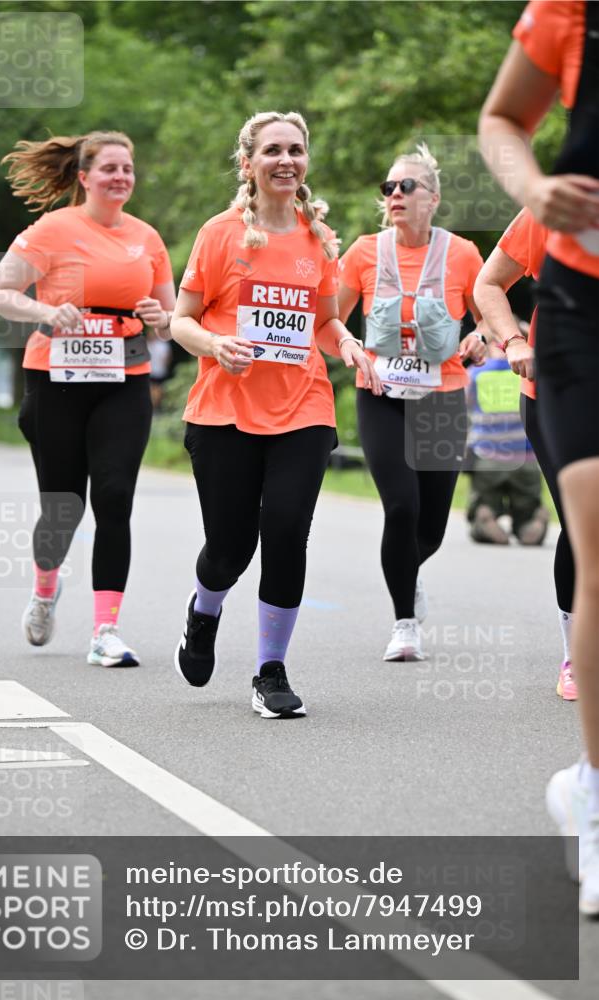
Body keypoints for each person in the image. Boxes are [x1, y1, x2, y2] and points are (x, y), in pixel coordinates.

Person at [170, 110, 379, 718]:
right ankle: (203, 611)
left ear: (305, 162)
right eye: (272, 151)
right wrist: (214, 346)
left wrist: (349, 344)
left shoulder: (318, 238)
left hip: (303, 407)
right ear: (249, 163)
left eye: (295, 150)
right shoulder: (219, 234)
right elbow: (182, 319)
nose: (285, 160)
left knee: (287, 530)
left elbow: (323, 320)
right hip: (224, 412)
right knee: (230, 548)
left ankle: (270, 670)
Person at [479, 0, 599, 914]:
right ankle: (595, 800)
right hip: (582, 314)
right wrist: (531, 189)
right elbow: (502, 119)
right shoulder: (570, 11)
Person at [0, 131, 176, 667]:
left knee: (114, 498)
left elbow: (168, 321)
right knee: (62, 508)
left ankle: (105, 630)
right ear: (85, 176)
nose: (121, 177)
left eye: (128, 169)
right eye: (110, 168)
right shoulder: (53, 229)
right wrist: (45, 313)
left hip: (124, 380)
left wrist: (162, 321)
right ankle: (45, 589)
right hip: (56, 382)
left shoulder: (148, 239)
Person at [337, 144, 487, 662]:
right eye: (388, 188)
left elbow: (490, 312)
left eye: (407, 187)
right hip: (380, 395)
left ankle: (408, 572)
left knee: (432, 528)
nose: (395, 195)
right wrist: (349, 346)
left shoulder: (463, 253)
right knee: (401, 508)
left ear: (434, 199)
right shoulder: (362, 252)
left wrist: (484, 337)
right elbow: (326, 321)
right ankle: (404, 623)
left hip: (441, 398)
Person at [474, 207, 576, 700]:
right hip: (558, 396)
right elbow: (488, 283)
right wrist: (512, 340)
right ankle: (578, 655)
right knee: (583, 522)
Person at [465, 333, 548, 547]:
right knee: (526, 502)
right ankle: (533, 519)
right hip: (526, 456)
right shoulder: (530, 373)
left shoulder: (475, 374)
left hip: (488, 455)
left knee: (484, 499)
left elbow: (460, 410)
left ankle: (485, 516)